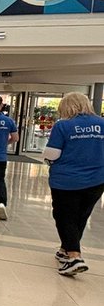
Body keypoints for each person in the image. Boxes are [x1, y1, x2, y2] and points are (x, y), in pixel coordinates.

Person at [43, 92, 104, 278]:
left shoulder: (64, 125)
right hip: (97, 179)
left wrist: (47, 159)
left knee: (64, 216)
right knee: (81, 216)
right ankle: (65, 250)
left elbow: (52, 154)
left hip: (66, 180)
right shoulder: (102, 124)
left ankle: (74, 257)